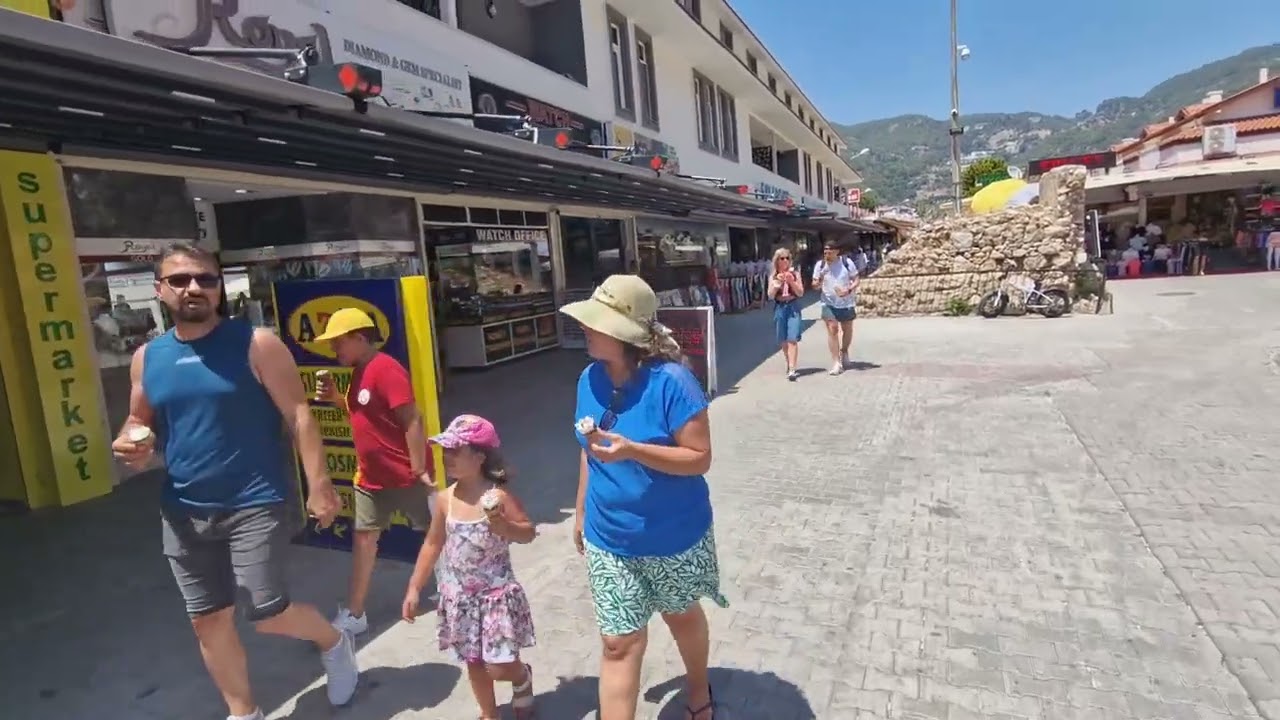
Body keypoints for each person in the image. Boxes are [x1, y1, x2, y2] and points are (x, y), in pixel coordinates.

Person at [110, 243, 359, 720]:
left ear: (219, 286)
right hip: (182, 509)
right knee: (208, 620)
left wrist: (320, 484)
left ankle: (334, 640)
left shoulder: (256, 342)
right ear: (160, 290)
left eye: (205, 278)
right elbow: (137, 420)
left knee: (266, 614)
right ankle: (244, 713)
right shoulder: (147, 357)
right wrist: (130, 443)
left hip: (255, 500)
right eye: (180, 280)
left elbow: (300, 415)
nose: (194, 288)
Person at [560, 274, 725, 720]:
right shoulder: (587, 379)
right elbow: (588, 452)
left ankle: (697, 689)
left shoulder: (673, 382)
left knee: (681, 616)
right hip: (608, 536)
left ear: (626, 333)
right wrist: (579, 513)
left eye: (597, 323)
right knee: (618, 643)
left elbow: (699, 458)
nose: (586, 329)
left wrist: (633, 450)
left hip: (673, 534)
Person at [402, 415, 537, 720]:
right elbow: (433, 544)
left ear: (479, 458)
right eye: (445, 450)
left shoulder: (497, 497)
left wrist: (505, 527)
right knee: (475, 663)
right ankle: (489, 713)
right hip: (460, 599)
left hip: (495, 596)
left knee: (498, 666)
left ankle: (520, 677)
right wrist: (414, 586)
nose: (446, 457)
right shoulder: (444, 499)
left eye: (455, 451)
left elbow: (528, 532)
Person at [314, 308, 437, 636]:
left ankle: (457, 592)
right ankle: (355, 614)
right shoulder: (359, 371)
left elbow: (412, 419)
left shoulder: (386, 369)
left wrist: (419, 468)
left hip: (407, 476)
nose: (333, 350)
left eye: (338, 342)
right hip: (371, 478)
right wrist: (337, 400)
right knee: (364, 539)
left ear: (359, 337)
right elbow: (363, 412)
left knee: (436, 535)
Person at [812, 241, 859, 375]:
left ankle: (844, 351)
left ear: (837, 252)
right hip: (828, 302)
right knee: (832, 329)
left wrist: (849, 289)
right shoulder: (820, 265)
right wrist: (820, 278)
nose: (827, 255)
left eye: (830, 252)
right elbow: (814, 285)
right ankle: (836, 362)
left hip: (846, 302)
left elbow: (856, 279)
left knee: (847, 329)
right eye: (825, 252)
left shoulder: (847, 263)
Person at [767, 247, 805, 381]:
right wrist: (777, 284)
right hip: (780, 307)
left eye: (787, 258)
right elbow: (770, 295)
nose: (784, 261)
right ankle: (789, 362)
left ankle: (792, 368)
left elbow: (800, 292)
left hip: (793, 306)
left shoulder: (795, 274)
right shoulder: (773, 275)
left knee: (792, 338)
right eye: (781, 258)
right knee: (783, 340)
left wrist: (791, 281)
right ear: (777, 261)